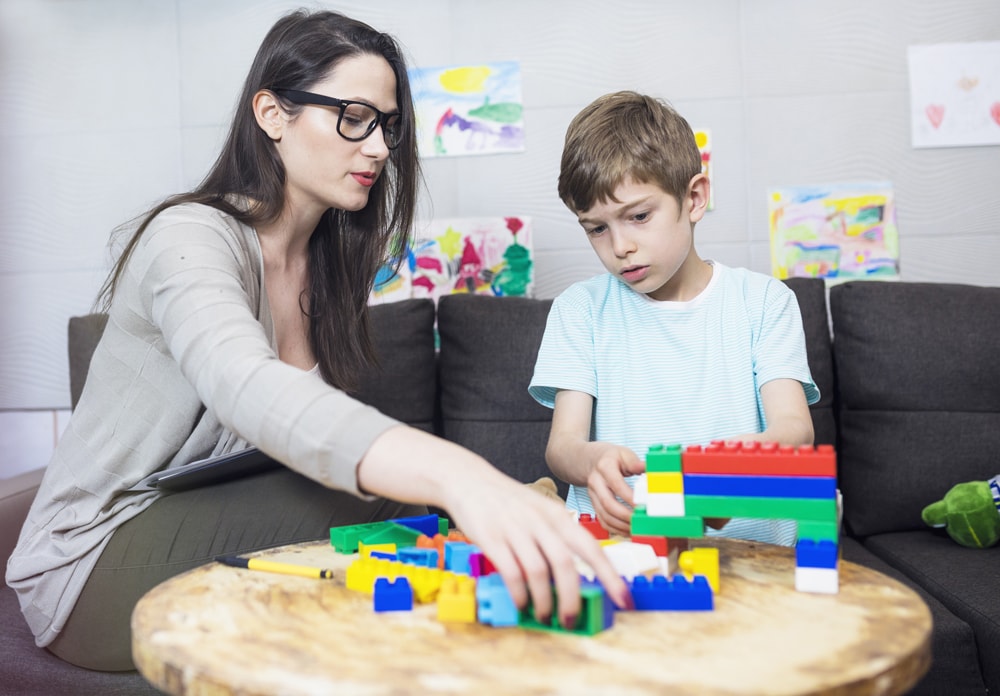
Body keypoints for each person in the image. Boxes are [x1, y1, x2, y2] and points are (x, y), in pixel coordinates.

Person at [5, 10, 629, 672]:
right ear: (272, 114)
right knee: (388, 496)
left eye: (386, 125)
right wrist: (462, 475)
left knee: (397, 520)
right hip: (90, 562)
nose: (380, 147)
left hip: (192, 513)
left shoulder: (326, 267)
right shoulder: (188, 238)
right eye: (353, 116)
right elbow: (243, 382)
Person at [529, 91, 820, 544]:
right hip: (625, 552)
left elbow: (795, 429)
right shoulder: (579, 310)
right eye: (597, 229)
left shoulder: (765, 302)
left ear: (695, 198)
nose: (620, 246)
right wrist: (592, 460)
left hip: (755, 557)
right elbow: (563, 445)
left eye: (639, 216)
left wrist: (725, 470)